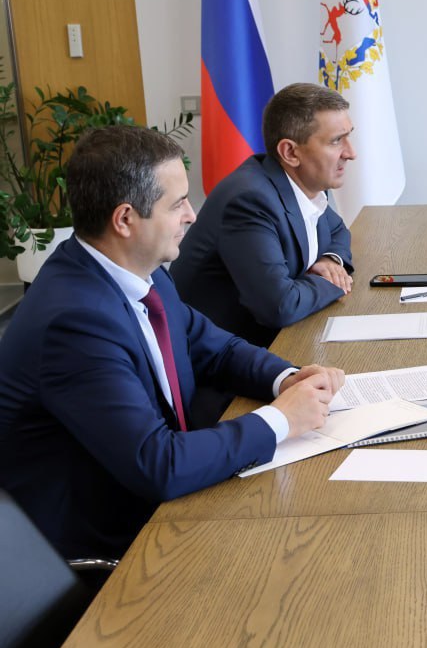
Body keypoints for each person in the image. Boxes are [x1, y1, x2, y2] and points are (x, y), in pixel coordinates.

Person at [0, 126, 344, 559]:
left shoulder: (141, 272)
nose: (192, 216)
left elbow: (215, 348)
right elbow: (158, 464)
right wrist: (281, 420)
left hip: (164, 503)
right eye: (177, 203)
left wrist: (287, 379)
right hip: (107, 549)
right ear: (125, 219)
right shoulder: (74, 322)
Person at [171, 82, 356, 349]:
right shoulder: (249, 200)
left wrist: (329, 259)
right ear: (290, 152)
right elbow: (279, 306)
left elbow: (337, 230)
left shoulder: (305, 183)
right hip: (220, 358)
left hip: (273, 341)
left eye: (348, 137)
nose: (351, 153)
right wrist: (332, 282)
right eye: (336, 141)